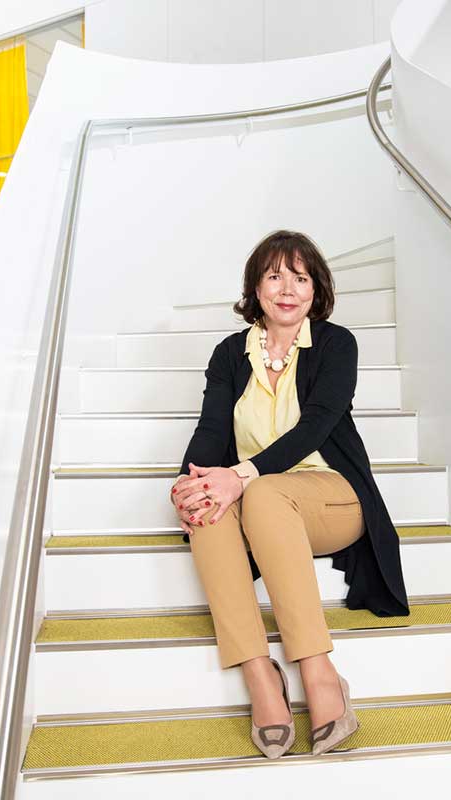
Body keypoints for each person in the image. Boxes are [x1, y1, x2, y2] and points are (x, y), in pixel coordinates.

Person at [169, 229, 410, 758]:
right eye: (274, 275)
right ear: (256, 287)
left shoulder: (335, 344)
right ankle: (260, 677)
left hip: (332, 497)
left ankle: (319, 673)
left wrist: (242, 474)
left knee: (258, 492)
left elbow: (317, 426)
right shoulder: (231, 354)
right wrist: (192, 483)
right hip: (261, 498)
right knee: (212, 504)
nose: (287, 288)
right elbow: (211, 430)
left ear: (315, 290)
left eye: (300, 278)